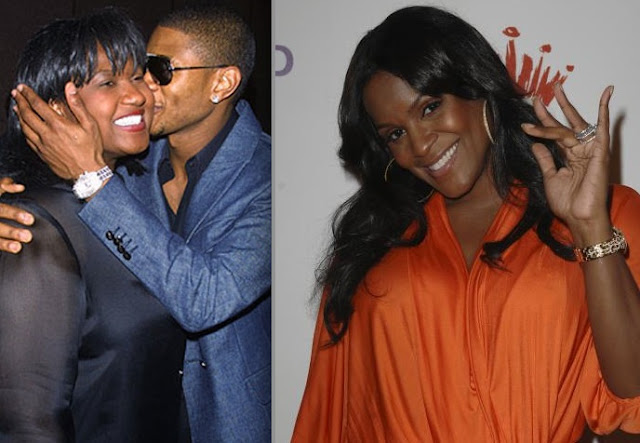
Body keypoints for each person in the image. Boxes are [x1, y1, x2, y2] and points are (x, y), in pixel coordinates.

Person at [292, 6, 640, 442]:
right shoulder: (369, 244)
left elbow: (633, 393)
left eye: (430, 107)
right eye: (395, 134)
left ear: (479, 89)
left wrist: (589, 227)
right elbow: (328, 418)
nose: (420, 146)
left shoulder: (607, 213)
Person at [7, 5, 271, 442]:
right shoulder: (128, 153)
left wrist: (94, 178)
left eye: (159, 71)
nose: (144, 88)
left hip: (228, 423)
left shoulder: (270, 176)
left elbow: (204, 298)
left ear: (222, 83)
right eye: (138, 71)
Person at [0, 8, 188, 441]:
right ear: (50, 108)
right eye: (108, 82)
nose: (137, 94)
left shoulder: (128, 194)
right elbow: (28, 422)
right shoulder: (35, 226)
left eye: (138, 76)